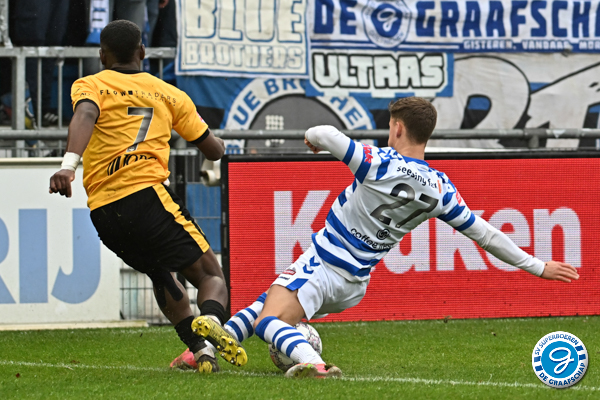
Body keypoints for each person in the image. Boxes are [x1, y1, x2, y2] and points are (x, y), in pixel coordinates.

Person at [193, 97, 580, 379]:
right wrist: (538, 266)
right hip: (355, 283)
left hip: (326, 262)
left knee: (269, 321)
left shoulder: (379, 163)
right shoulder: (440, 189)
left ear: (397, 128)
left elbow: (325, 133)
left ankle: (313, 364)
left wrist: (312, 139)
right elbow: (487, 235)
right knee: (267, 300)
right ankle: (205, 349)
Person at [48, 19, 246, 373]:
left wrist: (68, 166)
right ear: (142, 51)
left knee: (160, 273)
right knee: (210, 276)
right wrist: (213, 140)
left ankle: (201, 351)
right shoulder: (169, 94)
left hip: (104, 212)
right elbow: (213, 150)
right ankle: (213, 321)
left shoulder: (91, 84)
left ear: (102, 55)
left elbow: (86, 114)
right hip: (146, 195)